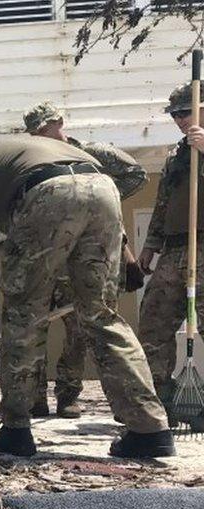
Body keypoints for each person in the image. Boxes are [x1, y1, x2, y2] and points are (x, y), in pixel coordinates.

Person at [0, 134, 173, 458]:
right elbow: (81, 192)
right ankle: (150, 430)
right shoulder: (11, 156)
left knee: (22, 314)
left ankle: (16, 430)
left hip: (46, 194)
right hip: (103, 188)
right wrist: (128, 257)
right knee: (101, 315)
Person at [23, 101, 149, 418]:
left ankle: (68, 395)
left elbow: (136, 173)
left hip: (86, 254)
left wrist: (101, 202)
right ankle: (34, 397)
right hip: (45, 252)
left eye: (46, 127)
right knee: (34, 324)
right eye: (36, 132)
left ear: (59, 122)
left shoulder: (92, 154)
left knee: (78, 328)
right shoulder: (33, 164)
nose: (43, 135)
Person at [137, 81, 204, 426]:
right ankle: (163, 401)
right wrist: (150, 245)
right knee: (153, 325)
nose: (180, 120)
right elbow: (162, 205)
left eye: (185, 112)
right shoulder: (177, 154)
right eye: (175, 114)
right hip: (175, 250)